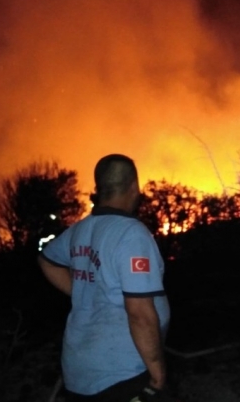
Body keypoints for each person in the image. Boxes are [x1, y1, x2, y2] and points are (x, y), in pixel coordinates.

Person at [38, 154, 174, 402]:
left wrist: (87, 293)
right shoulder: (131, 234)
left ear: (99, 189)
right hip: (123, 375)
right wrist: (157, 374)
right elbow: (140, 314)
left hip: (80, 372)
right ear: (134, 187)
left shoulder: (81, 229)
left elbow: (47, 259)